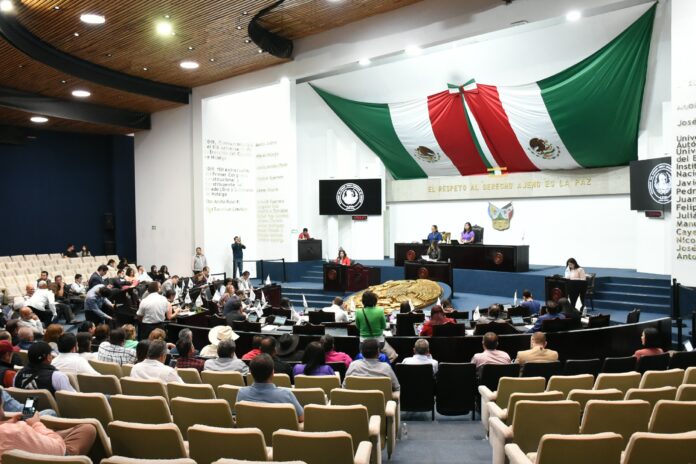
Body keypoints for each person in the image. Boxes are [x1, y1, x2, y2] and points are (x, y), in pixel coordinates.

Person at [0, 389, 96, 458]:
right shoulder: (16, 432)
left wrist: (7, 422)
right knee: (88, 429)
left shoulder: (18, 376)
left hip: (18, 435)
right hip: (57, 453)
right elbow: (59, 448)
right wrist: (36, 424)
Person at [236, 354, 304, 422]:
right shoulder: (286, 394)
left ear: (250, 372)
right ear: (273, 372)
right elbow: (301, 418)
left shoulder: (241, 393)